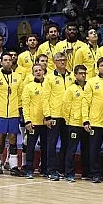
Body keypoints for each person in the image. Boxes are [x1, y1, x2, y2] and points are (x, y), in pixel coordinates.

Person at [0, 53, 22, 179]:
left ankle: (13, 166)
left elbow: (20, 95)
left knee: (13, 139)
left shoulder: (18, 77)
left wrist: (18, 109)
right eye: (5, 60)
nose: (8, 62)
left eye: (9, 60)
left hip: (13, 114)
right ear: (1, 62)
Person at [43, 52, 75, 181]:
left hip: (68, 117)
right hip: (54, 116)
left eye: (64, 59)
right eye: (59, 60)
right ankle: (51, 170)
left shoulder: (71, 76)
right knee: (52, 144)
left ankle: (63, 169)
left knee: (67, 144)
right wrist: (47, 116)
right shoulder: (50, 78)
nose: (62, 62)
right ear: (54, 62)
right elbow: (45, 98)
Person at [83, 57, 103, 183]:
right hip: (95, 121)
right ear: (97, 68)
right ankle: (95, 173)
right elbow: (85, 102)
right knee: (94, 149)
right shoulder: (91, 82)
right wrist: (86, 120)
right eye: (102, 65)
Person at [62, 64, 90, 182]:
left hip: (87, 124)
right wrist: (68, 121)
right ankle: (69, 173)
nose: (83, 75)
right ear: (75, 75)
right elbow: (66, 106)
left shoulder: (89, 87)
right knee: (72, 149)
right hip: (74, 123)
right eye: (80, 73)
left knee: (86, 149)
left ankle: (86, 172)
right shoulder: (71, 89)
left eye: (84, 73)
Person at [22, 64, 48, 179]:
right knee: (30, 147)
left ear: (44, 71)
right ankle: (29, 169)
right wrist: (27, 121)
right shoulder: (28, 87)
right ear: (33, 73)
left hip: (46, 122)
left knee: (45, 147)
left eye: (40, 70)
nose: (38, 72)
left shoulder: (49, 85)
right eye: (36, 71)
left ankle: (45, 169)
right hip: (33, 122)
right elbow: (25, 105)